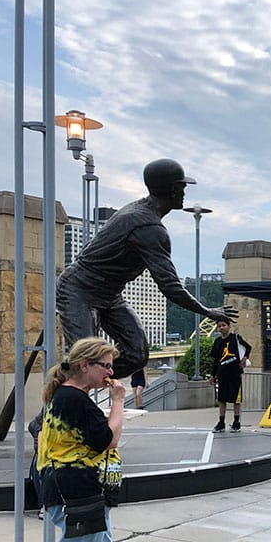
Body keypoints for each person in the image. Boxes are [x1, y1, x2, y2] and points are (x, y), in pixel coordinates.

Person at [56, 159, 236, 378]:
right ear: (172, 189)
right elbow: (170, 287)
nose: (184, 192)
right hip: (79, 291)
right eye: (182, 187)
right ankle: (67, 394)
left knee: (136, 354)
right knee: (85, 360)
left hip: (110, 294)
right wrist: (208, 312)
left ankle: (90, 381)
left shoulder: (141, 212)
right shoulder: (148, 228)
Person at [36, 337, 149, 542]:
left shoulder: (66, 396)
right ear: (85, 365)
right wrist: (117, 402)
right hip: (76, 493)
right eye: (106, 365)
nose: (111, 372)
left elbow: (40, 431)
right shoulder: (75, 399)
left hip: (77, 490)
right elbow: (107, 440)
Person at [209, 318, 251, 433]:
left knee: (236, 399)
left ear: (229, 326)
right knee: (222, 400)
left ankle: (236, 422)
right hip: (222, 374)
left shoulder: (235, 338)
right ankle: (221, 422)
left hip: (235, 373)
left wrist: (245, 357)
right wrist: (212, 375)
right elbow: (216, 360)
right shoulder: (217, 342)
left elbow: (248, 347)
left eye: (224, 325)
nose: (222, 327)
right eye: (219, 326)